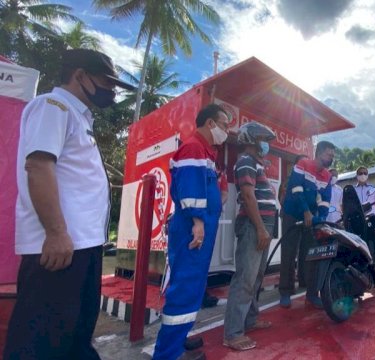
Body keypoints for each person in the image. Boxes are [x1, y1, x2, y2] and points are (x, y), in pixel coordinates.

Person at [4, 49, 135, 360]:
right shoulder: (53, 106)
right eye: (107, 82)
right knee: (42, 342)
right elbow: (39, 166)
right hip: (60, 248)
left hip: (80, 246)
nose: (112, 91)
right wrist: (56, 232)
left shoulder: (76, 115)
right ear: (80, 76)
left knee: (73, 336)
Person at [152, 104, 230, 360]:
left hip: (198, 230)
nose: (226, 131)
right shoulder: (194, 147)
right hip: (191, 230)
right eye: (224, 124)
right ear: (210, 123)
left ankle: (180, 339)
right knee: (185, 289)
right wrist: (197, 222)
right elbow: (188, 189)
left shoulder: (207, 152)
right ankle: (168, 354)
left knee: (193, 287)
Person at [223, 122, 277, 351]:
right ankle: (233, 333)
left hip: (263, 224)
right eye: (262, 139)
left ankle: (250, 319)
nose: (265, 145)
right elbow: (247, 195)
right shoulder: (246, 162)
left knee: (256, 277)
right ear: (251, 140)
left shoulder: (256, 164)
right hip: (254, 225)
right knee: (245, 278)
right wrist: (261, 229)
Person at [278, 141, 335, 309]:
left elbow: (325, 200)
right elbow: (295, 188)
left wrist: (322, 218)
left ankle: (311, 293)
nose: (331, 159)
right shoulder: (302, 164)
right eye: (329, 155)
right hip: (292, 213)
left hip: (311, 218)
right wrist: (305, 211)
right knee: (289, 252)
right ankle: (286, 292)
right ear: (319, 153)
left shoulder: (327, 176)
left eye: (332, 156)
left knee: (312, 253)